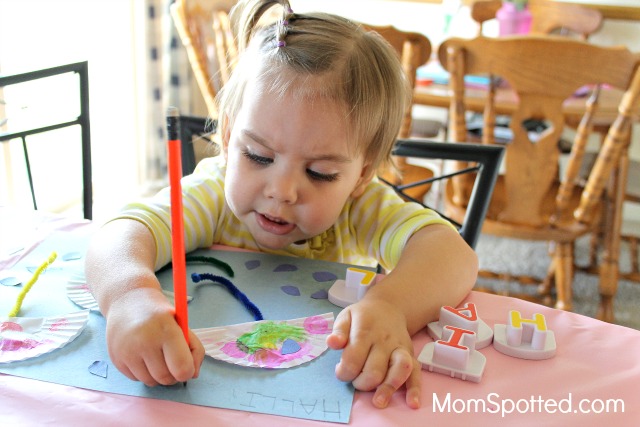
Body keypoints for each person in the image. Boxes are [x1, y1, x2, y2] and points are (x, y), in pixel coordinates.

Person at [85, 0, 478, 410]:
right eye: (258, 155)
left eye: (321, 173)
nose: (282, 191)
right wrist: (129, 295)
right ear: (228, 136)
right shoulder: (214, 194)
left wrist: (392, 306)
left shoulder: (358, 206)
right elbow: (118, 234)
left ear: (360, 176)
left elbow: (454, 258)